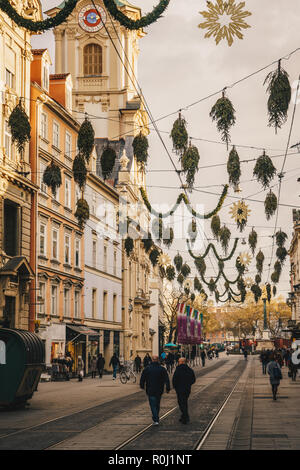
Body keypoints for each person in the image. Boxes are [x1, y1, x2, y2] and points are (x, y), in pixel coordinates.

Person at [140, 355, 170, 425]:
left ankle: (156, 419)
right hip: (159, 389)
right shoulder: (162, 369)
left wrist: (142, 385)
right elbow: (166, 379)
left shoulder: (147, 369)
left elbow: (142, 378)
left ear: (152, 360)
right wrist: (167, 387)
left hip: (150, 389)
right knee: (157, 404)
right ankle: (156, 417)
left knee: (153, 404)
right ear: (158, 360)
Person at [172, 357, 196, 424]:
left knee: (181, 403)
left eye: (179, 361)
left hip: (179, 389)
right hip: (187, 389)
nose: (179, 363)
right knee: (184, 402)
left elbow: (174, 380)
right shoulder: (189, 370)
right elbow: (193, 379)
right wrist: (188, 384)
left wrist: (175, 387)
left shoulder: (178, 370)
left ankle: (185, 416)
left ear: (182, 362)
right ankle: (184, 416)